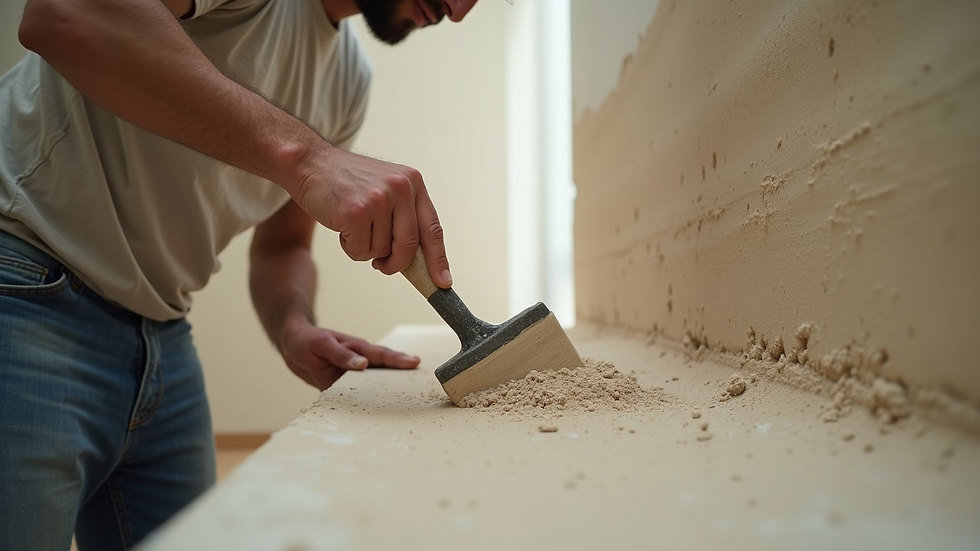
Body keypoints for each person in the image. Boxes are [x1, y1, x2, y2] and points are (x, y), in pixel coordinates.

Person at [0, 0, 478, 548]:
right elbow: (63, 14)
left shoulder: (348, 81)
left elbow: (282, 247)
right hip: (25, 290)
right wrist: (309, 157)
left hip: (163, 334)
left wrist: (293, 325)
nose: (460, 10)